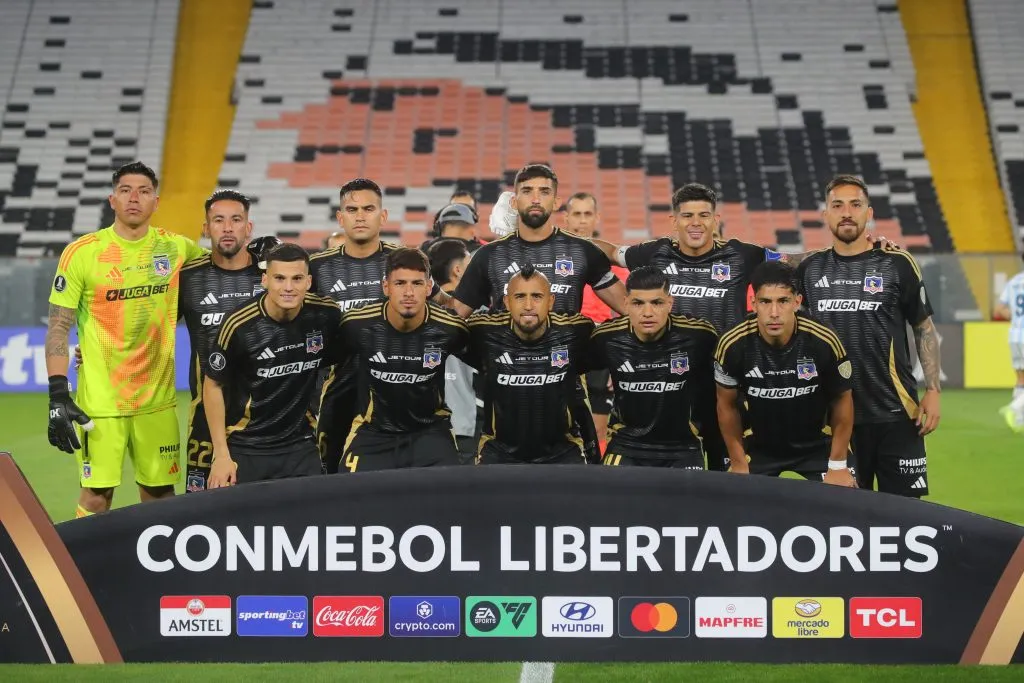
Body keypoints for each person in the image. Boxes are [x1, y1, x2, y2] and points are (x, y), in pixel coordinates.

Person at [45, 161, 207, 517]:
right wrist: (58, 393)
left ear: (156, 201)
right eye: (125, 191)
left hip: (158, 400)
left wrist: (260, 257)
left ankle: (161, 571)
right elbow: (58, 326)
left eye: (144, 191)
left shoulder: (178, 249)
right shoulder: (82, 253)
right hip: (101, 405)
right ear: (112, 200)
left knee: (160, 493)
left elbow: (225, 272)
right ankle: (86, 571)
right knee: (96, 496)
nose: (134, 198)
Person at [448, 164, 626, 462]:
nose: (535, 198)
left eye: (544, 192)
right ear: (514, 200)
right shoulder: (489, 256)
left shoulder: (582, 251)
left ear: (556, 202)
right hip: (505, 393)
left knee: (573, 496)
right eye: (527, 191)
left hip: (565, 388)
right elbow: (452, 321)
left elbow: (630, 308)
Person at [796, 175, 940, 497]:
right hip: (833, 420)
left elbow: (923, 327)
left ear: (869, 213)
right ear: (826, 215)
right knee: (844, 520)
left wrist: (933, 390)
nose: (847, 212)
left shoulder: (897, 262)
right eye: (838, 205)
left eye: (855, 205)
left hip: (897, 414)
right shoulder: (808, 269)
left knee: (906, 516)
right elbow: (763, 274)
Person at [310, 178, 450, 473]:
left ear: (383, 216)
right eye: (352, 209)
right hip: (338, 390)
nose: (360, 216)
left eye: (368, 208)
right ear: (340, 217)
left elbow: (445, 305)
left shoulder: (405, 261)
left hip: (398, 394)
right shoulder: (317, 267)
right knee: (329, 478)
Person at [203, 244, 340, 487]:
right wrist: (221, 455)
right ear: (265, 280)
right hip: (247, 445)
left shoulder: (326, 315)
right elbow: (213, 385)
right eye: (279, 278)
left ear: (308, 282)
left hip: (300, 446)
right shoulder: (239, 324)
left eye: (297, 278)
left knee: (314, 520)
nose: (288, 287)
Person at [715, 261, 856, 485]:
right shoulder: (733, 343)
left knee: (846, 505)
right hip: (760, 447)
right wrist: (738, 460)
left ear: (797, 302)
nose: (774, 312)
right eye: (765, 302)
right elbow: (726, 405)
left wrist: (837, 465)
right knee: (737, 509)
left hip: (817, 444)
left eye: (783, 301)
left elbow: (842, 399)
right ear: (753, 303)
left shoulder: (823, 340)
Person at [178, 190, 281, 492]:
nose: (227, 228)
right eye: (218, 220)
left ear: (248, 228)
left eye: (236, 220)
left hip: (269, 414)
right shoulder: (187, 278)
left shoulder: (273, 276)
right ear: (206, 228)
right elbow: (152, 329)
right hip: (206, 421)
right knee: (203, 515)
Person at [337, 248, 469, 471]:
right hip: (373, 433)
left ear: (429, 288)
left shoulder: (450, 328)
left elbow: (488, 362)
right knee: (350, 501)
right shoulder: (356, 324)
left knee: (449, 501)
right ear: (386, 287)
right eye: (400, 283)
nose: (409, 292)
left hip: (430, 433)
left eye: (417, 284)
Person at [589, 267, 718, 469]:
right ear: (625, 304)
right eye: (638, 303)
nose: (647, 313)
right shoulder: (606, 338)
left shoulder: (699, 336)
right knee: (614, 500)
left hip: (683, 447)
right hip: (627, 445)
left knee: (691, 501)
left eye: (657, 303)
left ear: (670, 303)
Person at [463, 266, 594, 464]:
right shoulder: (483, 330)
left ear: (551, 301)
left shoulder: (576, 330)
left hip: (563, 451)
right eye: (519, 297)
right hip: (498, 451)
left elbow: (611, 344)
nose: (528, 305)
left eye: (537, 296)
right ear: (507, 302)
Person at [562, 191, 629, 448]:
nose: (581, 221)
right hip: (563, 349)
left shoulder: (615, 268)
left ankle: (596, 483)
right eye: (576, 214)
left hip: (600, 352)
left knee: (599, 430)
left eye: (587, 214)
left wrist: (618, 361)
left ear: (597, 218)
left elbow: (629, 316)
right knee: (564, 425)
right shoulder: (553, 259)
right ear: (565, 218)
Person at [426, 238, 480, 462]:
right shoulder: (478, 313)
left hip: (423, 431)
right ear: (458, 270)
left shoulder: (416, 312)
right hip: (467, 427)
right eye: (470, 261)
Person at [995, 251, 1024, 432]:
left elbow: (999, 308)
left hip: (1015, 335)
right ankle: (1014, 408)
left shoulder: (1014, 281)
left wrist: (1016, 319)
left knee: (1021, 378)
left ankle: (1019, 420)